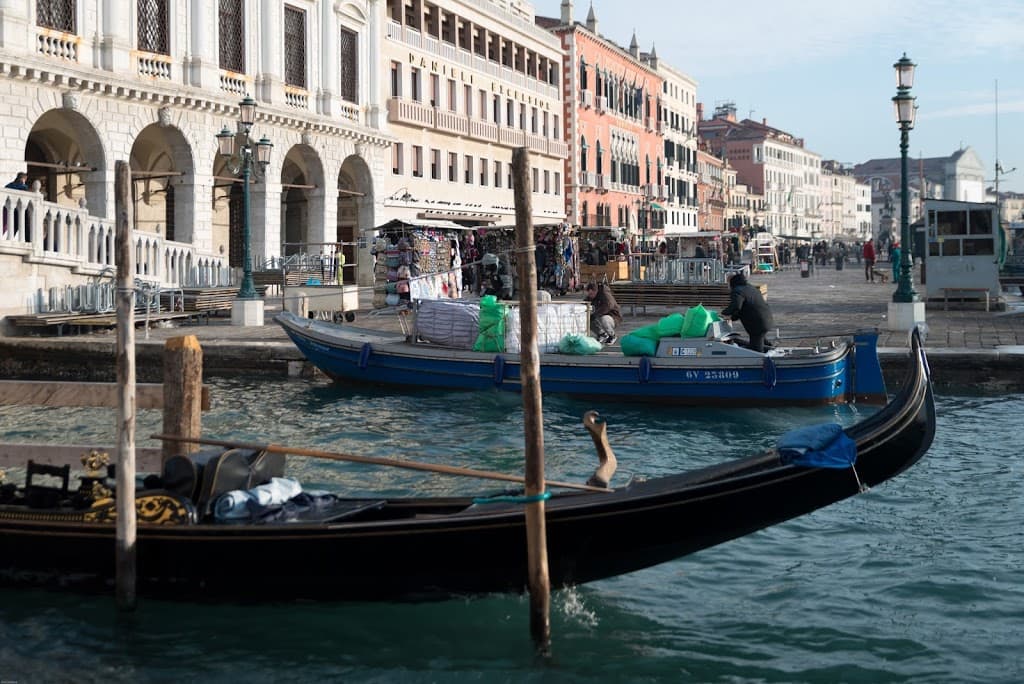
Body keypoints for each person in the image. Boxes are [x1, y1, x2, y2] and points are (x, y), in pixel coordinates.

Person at [720, 272, 774, 353]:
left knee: (756, 349)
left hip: (757, 323)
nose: (727, 285)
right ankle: (771, 350)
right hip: (766, 319)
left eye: (727, 282)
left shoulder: (737, 291)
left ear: (731, 282)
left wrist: (724, 313)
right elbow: (742, 309)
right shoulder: (750, 287)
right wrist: (732, 318)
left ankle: (763, 362)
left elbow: (736, 306)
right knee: (760, 340)